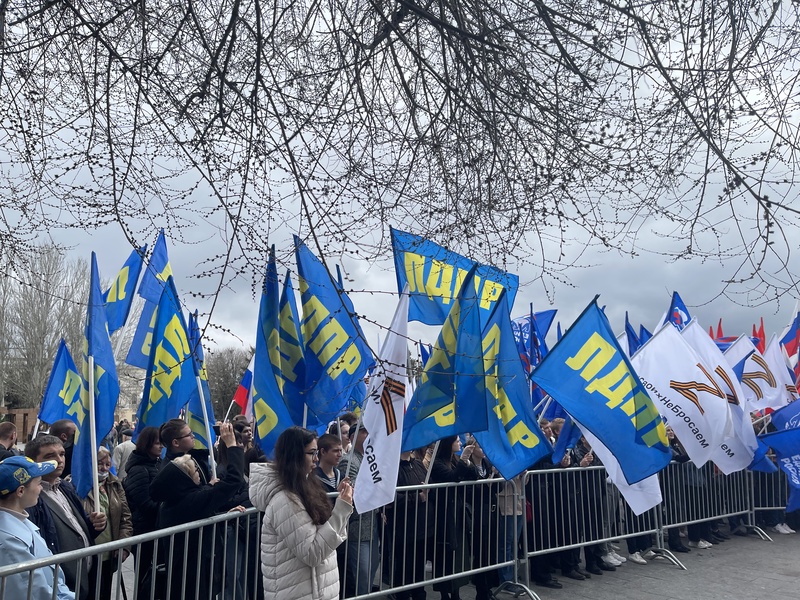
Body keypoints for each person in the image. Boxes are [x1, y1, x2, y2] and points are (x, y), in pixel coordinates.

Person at [250, 426, 353, 600]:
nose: (316, 459)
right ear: (295, 455)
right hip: (298, 591)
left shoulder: (305, 486)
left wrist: (340, 502)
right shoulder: (284, 500)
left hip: (315, 589)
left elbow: (320, 532)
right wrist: (341, 510)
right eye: (311, 453)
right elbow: (312, 553)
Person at [149, 422, 246, 600]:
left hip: (194, 567)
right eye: (194, 472)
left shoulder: (180, 497)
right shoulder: (188, 500)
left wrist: (220, 514)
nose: (199, 475)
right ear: (184, 479)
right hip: (191, 571)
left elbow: (200, 507)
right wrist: (231, 445)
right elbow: (233, 481)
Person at [26, 434, 107, 600]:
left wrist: (95, 524)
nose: (59, 460)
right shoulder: (30, 497)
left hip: (86, 575)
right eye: (50, 456)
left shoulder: (65, 486)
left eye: (61, 454)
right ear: (33, 461)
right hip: (61, 581)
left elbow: (80, 529)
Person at [0, 455, 75, 600]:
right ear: (21, 491)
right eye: (39, 483)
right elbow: (34, 593)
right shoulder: (7, 542)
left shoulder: (21, 519)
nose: (41, 488)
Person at [429, 435, 478, 600]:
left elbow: (473, 476)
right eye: (456, 440)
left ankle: (456, 591)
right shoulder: (437, 463)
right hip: (443, 513)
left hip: (457, 511)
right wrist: (463, 460)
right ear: (448, 444)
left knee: (458, 552)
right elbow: (453, 477)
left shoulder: (456, 460)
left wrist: (467, 461)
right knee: (445, 552)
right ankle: (445, 593)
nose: (459, 443)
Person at [81, 446, 133, 600]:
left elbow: (126, 517)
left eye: (107, 464)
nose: (104, 468)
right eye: (99, 463)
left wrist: (123, 544)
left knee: (104, 593)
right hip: (87, 555)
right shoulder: (77, 485)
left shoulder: (115, 484)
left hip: (109, 554)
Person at [338, 421, 379, 596]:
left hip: (371, 525)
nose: (369, 435)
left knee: (370, 570)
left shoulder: (367, 457)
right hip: (357, 528)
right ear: (354, 437)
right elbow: (352, 490)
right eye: (364, 433)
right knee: (361, 575)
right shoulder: (348, 461)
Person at [121, 426, 163, 600]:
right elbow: (145, 503)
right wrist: (167, 509)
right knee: (145, 574)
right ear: (147, 444)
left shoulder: (157, 464)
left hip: (156, 529)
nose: (161, 446)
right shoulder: (139, 470)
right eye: (157, 443)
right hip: (145, 530)